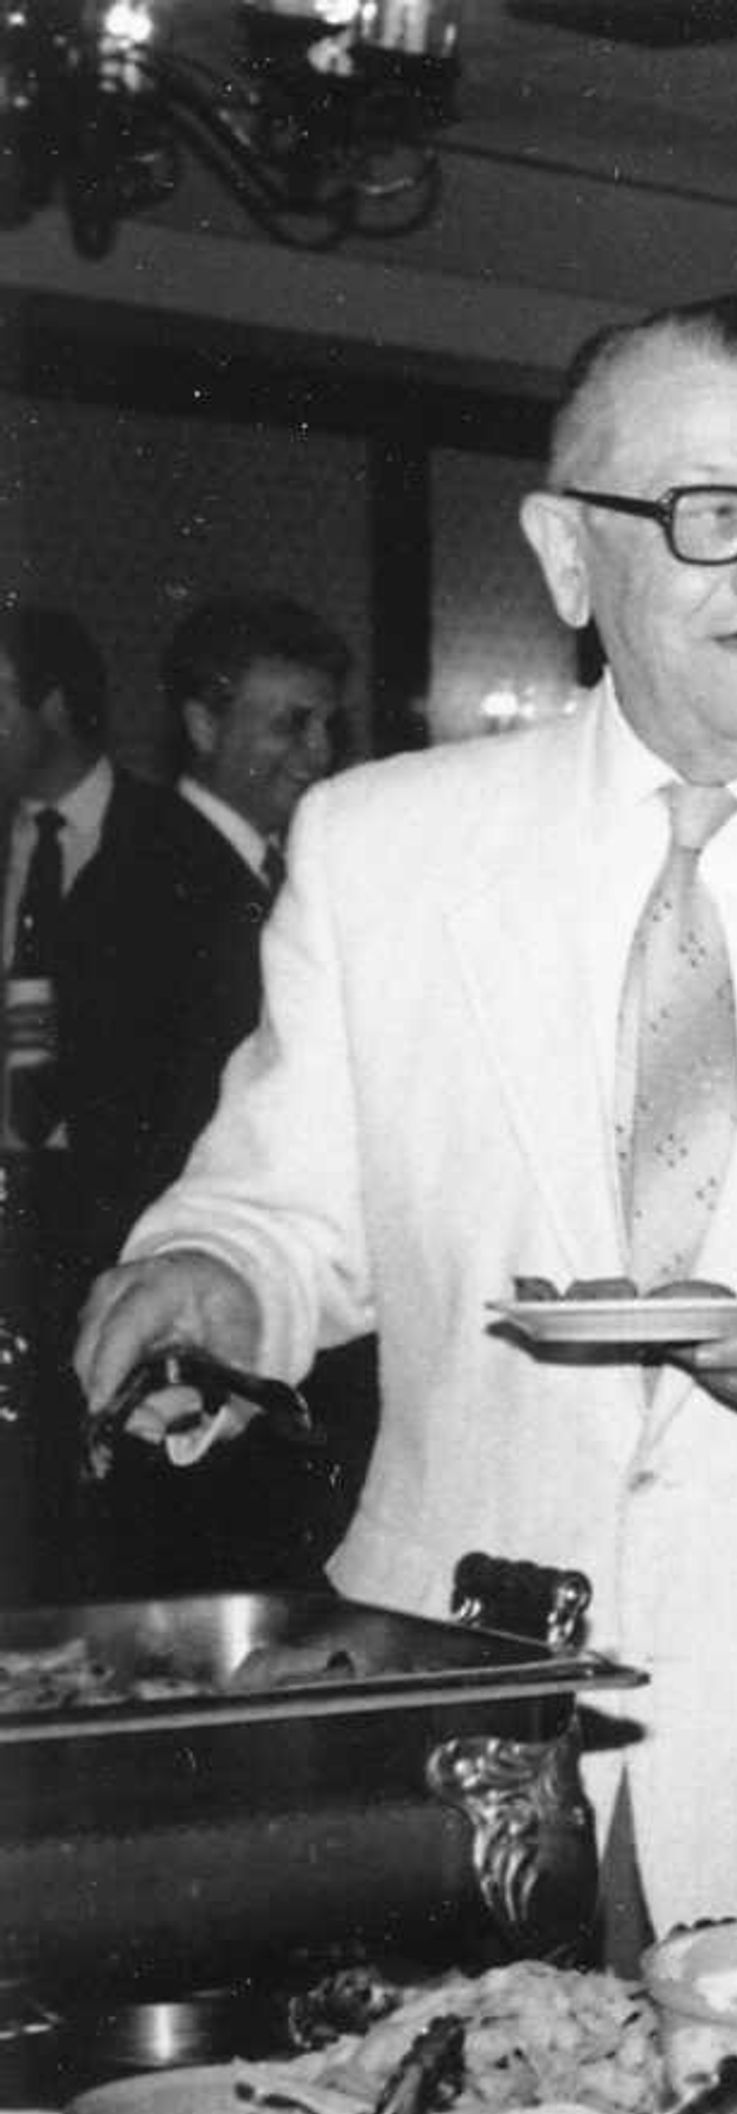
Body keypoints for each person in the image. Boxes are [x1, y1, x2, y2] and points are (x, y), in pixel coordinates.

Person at [77, 295, 737, 1935]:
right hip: (447, 1686)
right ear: (564, 554)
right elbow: (290, 1199)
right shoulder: (381, 844)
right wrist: (214, 1281)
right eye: (712, 512)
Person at [64, 592, 372, 1594]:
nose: (319, 750)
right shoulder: (144, 889)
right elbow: (136, 1149)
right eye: (291, 721)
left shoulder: (274, 877)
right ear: (202, 725)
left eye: (330, 721)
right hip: (197, 1351)